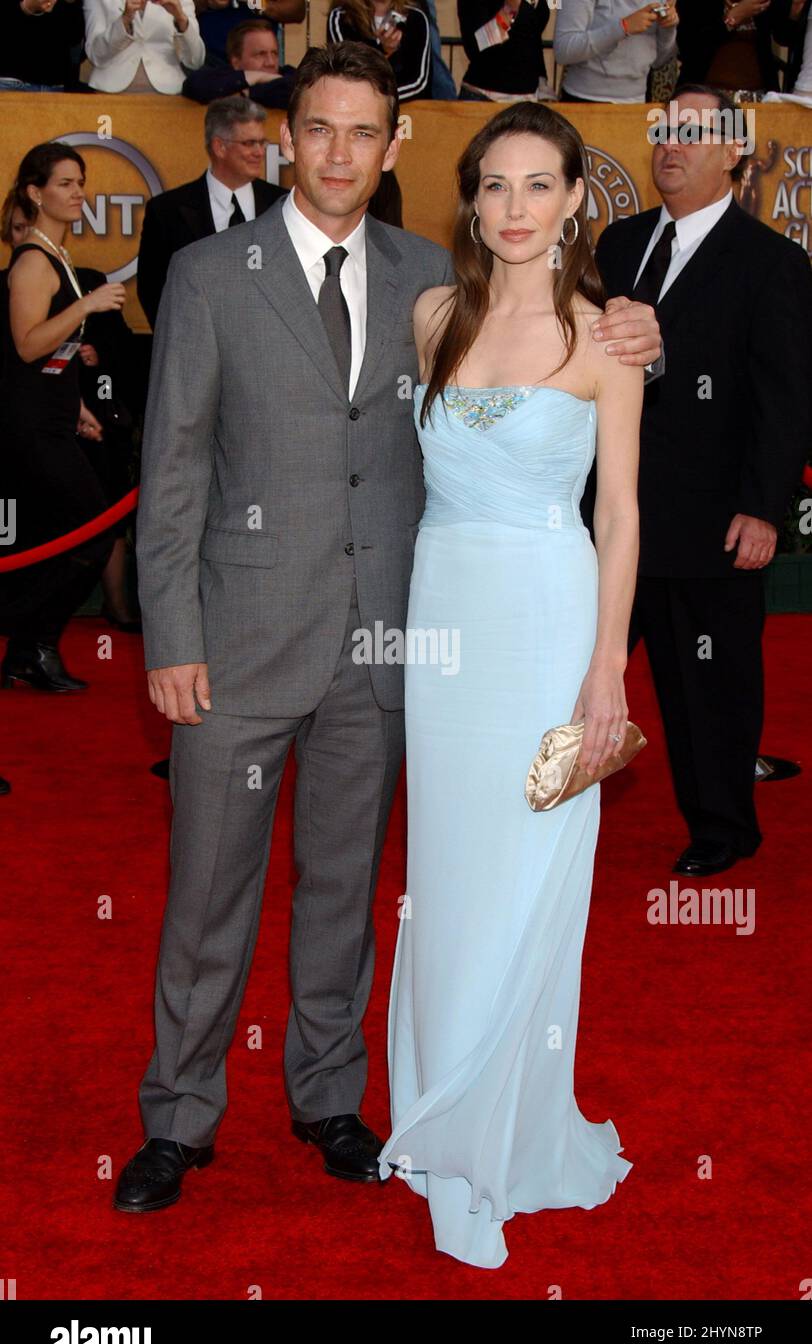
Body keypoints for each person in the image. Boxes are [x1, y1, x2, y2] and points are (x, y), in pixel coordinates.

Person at [112, 41, 662, 1216]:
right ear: (284, 135)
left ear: (394, 146)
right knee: (208, 892)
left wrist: (642, 333)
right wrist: (168, 635)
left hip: (393, 649)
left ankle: (327, 1095)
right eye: (318, 129)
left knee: (347, 889)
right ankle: (179, 1115)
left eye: (365, 132)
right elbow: (170, 475)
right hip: (240, 641)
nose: (339, 153)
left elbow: (566, 383)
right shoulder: (211, 275)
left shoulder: (430, 282)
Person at [375, 101, 642, 1269]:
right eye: (494, 186)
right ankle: (439, 1116)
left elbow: (621, 515)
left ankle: (503, 1134)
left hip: (545, 616)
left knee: (532, 871)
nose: (516, 208)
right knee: (444, 869)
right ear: (470, 199)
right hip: (444, 625)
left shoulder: (610, 337)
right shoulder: (432, 313)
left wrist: (605, 672)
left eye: (539, 185)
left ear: (576, 197)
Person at [591, 84, 812, 875]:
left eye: (693, 133)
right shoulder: (618, 247)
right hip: (610, 517)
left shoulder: (772, 264)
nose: (671, 147)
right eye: (664, 132)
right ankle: (554, 802)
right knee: (576, 666)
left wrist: (762, 509)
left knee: (706, 688)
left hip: (712, 520)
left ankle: (723, 827)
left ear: (734, 154)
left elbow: (786, 401)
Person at [0, 144, 126, 693]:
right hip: (28, 427)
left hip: (51, 419)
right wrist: (88, 305)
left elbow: (54, 353)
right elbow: (25, 347)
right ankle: (29, 639)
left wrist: (77, 408)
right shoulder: (33, 260)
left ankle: (30, 650)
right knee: (91, 532)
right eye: (66, 184)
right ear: (36, 192)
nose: (79, 193)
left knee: (66, 536)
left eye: (81, 182)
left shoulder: (58, 256)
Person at [136, 95, 285, 329]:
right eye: (249, 143)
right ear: (219, 147)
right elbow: (153, 290)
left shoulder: (282, 204)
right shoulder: (166, 211)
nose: (260, 152)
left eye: (262, 143)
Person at [555, 0, 679, 103]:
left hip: (638, 101)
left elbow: (659, 61)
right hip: (584, 100)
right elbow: (563, 51)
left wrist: (668, 28)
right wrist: (623, 27)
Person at [82, 0, 206, 93]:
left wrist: (180, 18)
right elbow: (95, 54)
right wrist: (125, 20)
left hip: (169, 92)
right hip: (110, 91)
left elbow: (195, 60)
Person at [327, 0, 433, 100]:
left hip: (406, 111)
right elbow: (345, 73)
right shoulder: (342, 17)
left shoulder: (416, 17)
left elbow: (419, 83)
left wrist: (383, 102)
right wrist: (383, 50)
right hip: (356, 109)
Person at [181, 18, 297, 106]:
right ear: (236, 62)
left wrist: (246, 93)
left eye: (274, 54)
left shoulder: (289, 75)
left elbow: (299, 92)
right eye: (261, 54)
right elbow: (193, 85)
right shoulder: (226, 76)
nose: (271, 62)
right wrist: (257, 77)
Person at [457, 0, 551, 102]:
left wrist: (542, 80)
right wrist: (511, 11)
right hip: (485, 96)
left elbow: (534, 35)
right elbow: (473, 48)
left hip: (528, 97)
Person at [1, 0, 85, 92]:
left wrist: (71, 4)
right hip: (9, 79)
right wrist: (26, 7)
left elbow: (75, 38)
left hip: (54, 82)